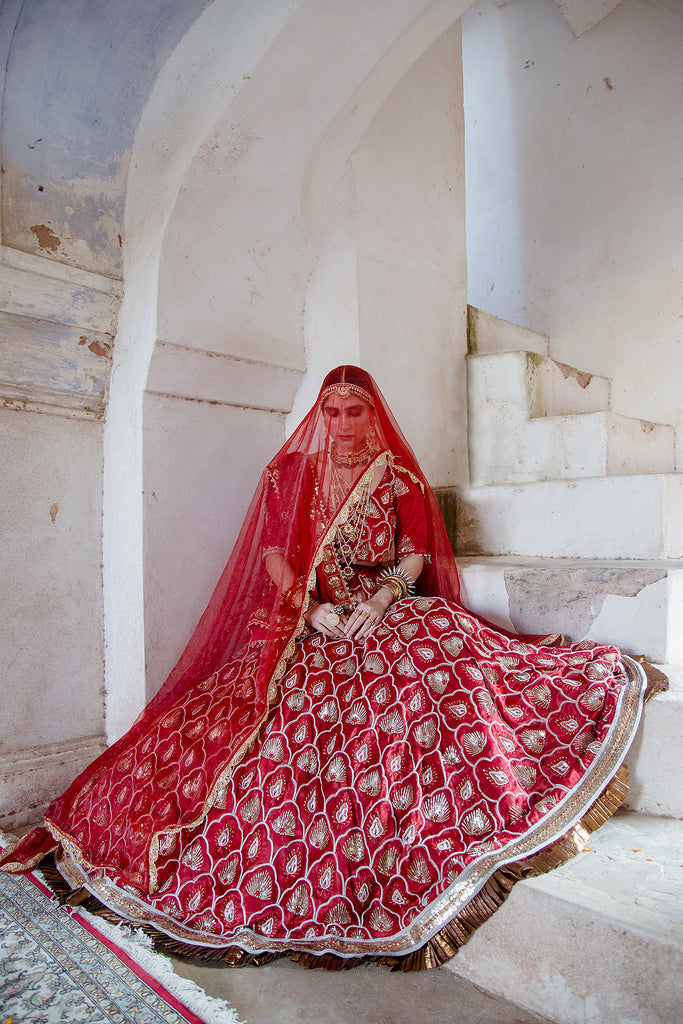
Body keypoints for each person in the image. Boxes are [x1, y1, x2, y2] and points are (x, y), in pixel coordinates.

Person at [0, 365, 647, 970]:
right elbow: (277, 556)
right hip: (313, 622)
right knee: (256, 720)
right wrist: (310, 613)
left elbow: (417, 553)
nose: (341, 422)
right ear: (322, 414)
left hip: (383, 609)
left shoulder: (398, 479)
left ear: (372, 415)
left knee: (438, 645)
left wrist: (385, 596)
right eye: (331, 411)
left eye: (354, 411)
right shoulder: (295, 474)